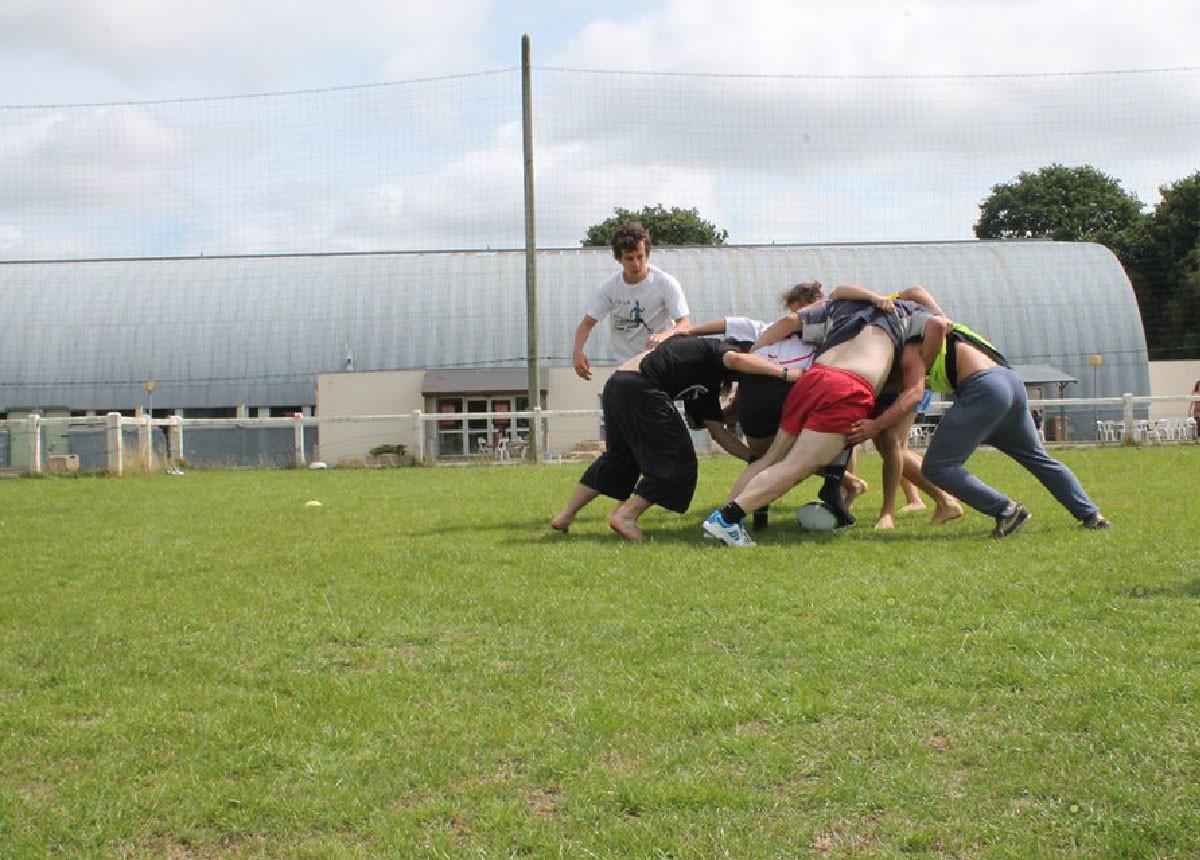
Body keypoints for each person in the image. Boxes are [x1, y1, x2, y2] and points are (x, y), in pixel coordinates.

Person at [845, 287, 1111, 537]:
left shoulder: (902, 321)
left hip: (983, 389)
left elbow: (914, 291)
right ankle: (1092, 515)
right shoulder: (925, 328)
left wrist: (876, 425)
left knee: (938, 467)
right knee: (1037, 458)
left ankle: (1006, 509)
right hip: (1010, 383)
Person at [704, 297, 947, 547]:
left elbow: (790, 321)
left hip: (813, 377)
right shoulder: (910, 312)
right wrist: (928, 356)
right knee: (796, 467)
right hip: (849, 387)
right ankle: (726, 521)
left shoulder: (848, 308)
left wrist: (756, 349)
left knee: (769, 458)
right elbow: (938, 325)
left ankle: (720, 519)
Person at [550, 334, 803, 542]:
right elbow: (736, 359)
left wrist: (753, 457)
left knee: (620, 458)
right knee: (678, 461)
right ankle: (626, 516)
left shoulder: (705, 386)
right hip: (640, 386)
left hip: (619, 385)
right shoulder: (716, 348)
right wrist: (784, 374)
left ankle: (565, 516)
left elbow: (718, 432)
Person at [673, 281, 870, 528]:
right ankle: (744, 518)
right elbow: (727, 323)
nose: (801, 317)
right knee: (777, 459)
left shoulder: (826, 339)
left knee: (775, 459)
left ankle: (734, 519)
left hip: (788, 395)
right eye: (796, 311)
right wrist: (687, 332)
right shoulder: (765, 328)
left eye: (806, 311)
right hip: (773, 395)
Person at [571, 221, 690, 380]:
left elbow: (685, 324)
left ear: (646, 253)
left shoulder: (665, 283)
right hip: (627, 367)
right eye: (629, 258)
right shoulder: (609, 287)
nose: (636, 264)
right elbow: (586, 324)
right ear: (619, 258)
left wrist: (664, 336)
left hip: (660, 362)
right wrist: (577, 352)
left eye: (640, 257)